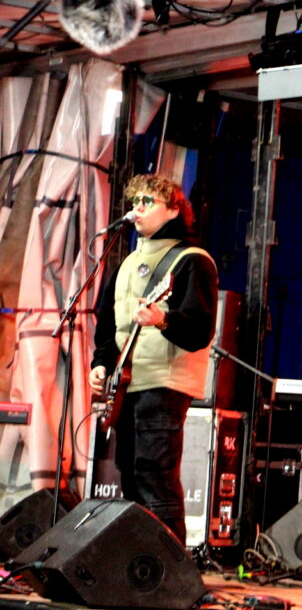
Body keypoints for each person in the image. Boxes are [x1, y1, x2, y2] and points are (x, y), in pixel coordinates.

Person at [88, 174, 218, 544]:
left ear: (174, 210)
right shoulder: (126, 264)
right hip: (128, 382)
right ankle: (139, 559)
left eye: (148, 201)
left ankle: (171, 563)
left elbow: (200, 329)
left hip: (165, 381)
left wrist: (163, 319)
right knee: (129, 473)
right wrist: (101, 363)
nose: (137, 209)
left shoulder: (192, 261)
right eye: (134, 202)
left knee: (155, 473)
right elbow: (109, 324)